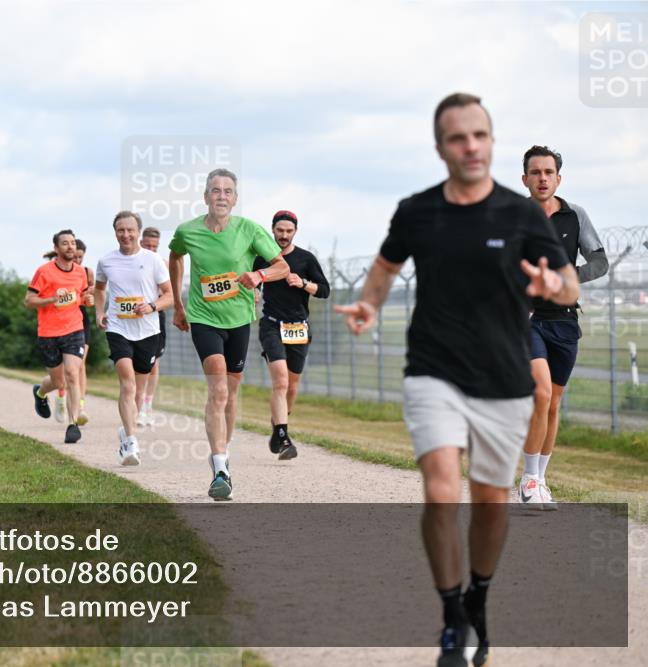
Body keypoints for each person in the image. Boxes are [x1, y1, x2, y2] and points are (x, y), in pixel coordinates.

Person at [334, 93, 579, 667]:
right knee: (442, 490)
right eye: (456, 138)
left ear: (490, 143)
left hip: (502, 373)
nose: (469, 146)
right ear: (441, 147)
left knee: (490, 500)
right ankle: (451, 616)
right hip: (434, 370)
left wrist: (553, 288)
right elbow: (385, 266)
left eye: (479, 135)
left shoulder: (520, 214)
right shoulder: (418, 210)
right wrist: (369, 304)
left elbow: (569, 283)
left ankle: (480, 602)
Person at [168, 168, 289, 500]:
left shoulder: (249, 230)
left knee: (231, 395)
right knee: (218, 389)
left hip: (238, 320)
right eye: (215, 190)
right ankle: (220, 468)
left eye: (227, 191)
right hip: (203, 317)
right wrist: (178, 304)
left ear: (235, 199)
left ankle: (222, 450)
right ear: (205, 196)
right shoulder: (187, 231)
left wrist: (259, 275)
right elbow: (175, 256)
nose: (221, 196)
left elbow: (283, 267)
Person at [518, 145, 608, 510]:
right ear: (524, 179)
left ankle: (540, 480)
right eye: (535, 172)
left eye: (548, 172)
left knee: (554, 404)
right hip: (526, 320)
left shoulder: (576, 216)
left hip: (565, 321)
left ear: (558, 178)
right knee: (540, 394)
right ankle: (527, 481)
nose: (542, 178)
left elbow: (600, 262)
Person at [94, 211, 173, 466]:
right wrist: (99, 312)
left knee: (138, 390)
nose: (125, 234)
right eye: (120, 230)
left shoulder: (152, 260)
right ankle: (130, 441)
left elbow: (169, 295)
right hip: (118, 328)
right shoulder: (106, 261)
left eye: (130, 230)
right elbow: (98, 288)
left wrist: (151, 306)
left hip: (148, 331)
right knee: (127, 384)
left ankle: (126, 429)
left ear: (138, 232)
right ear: (115, 232)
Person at [254, 210, 330, 460]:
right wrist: (253, 292)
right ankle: (285, 438)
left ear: (295, 231)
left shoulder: (306, 259)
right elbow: (252, 284)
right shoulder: (263, 258)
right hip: (272, 325)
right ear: (272, 230)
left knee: (292, 386)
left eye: (288, 231)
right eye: (280, 231)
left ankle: (278, 426)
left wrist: (304, 284)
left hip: (298, 327)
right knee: (281, 380)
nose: (284, 235)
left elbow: (325, 290)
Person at [26, 229, 93, 444]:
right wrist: (51, 299)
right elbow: (29, 301)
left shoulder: (81, 272)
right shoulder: (44, 272)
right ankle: (40, 392)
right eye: (65, 243)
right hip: (48, 333)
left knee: (73, 373)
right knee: (58, 381)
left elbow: (80, 297)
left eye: (72, 243)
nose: (70, 247)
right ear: (56, 248)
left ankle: (73, 424)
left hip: (74, 329)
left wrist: (87, 300)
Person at [138, 227, 167, 426]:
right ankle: (138, 404)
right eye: (147, 245)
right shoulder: (132, 261)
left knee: (154, 363)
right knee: (135, 365)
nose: (151, 249)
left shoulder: (162, 264)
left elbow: (170, 291)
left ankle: (147, 405)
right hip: (133, 316)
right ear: (141, 243)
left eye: (154, 246)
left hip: (156, 315)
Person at [74, 239, 95, 426]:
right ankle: (61, 396)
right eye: (75, 257)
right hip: (61, 321)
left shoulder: (88, 273)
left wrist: (90, 296)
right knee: (67, 368)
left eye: (81, 257)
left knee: (80, 364)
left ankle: (80, 407)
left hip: (81, 320)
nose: (77, 260)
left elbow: (92, 295)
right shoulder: (59, 272)